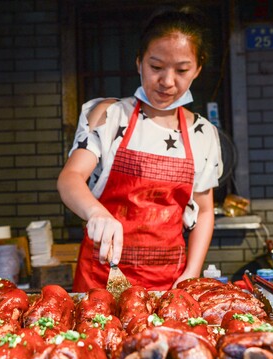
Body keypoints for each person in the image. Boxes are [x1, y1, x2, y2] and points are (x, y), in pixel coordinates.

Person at [57, 7, 223, 292]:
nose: (167, 81)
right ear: (139, 63)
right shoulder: (109, 115)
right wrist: (96, 213)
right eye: (156, 67)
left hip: (169, 286)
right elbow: (70, 178)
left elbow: (205, 211)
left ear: (197, 68)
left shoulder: (203, 134)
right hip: (100, 283)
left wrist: (192, 272)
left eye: (182, 70)